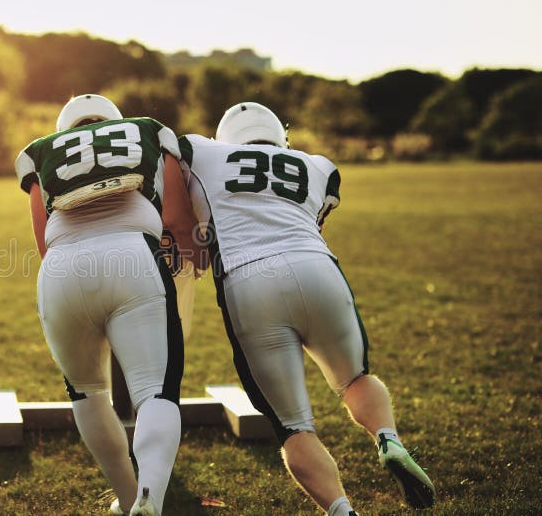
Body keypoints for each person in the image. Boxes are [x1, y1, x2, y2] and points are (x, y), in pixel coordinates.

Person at [177, 102, 436, 515]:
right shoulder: (318, 166)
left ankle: (342, 510)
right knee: (355, 378)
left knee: (294, 426)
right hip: (317, 269)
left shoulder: (199, 151)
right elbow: (312, 221)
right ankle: (389, 440)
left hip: (248, 280)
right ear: (281, 136)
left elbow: (159, 156)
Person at [14, 94, 200, 516]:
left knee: (88, 394)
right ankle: (151, 494)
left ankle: (127, 496)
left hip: (60, 269)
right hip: (134, 255)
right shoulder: (149, 130)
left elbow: (43, 239)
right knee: (156, 391)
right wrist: (191, 259)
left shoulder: (41, 151)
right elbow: (176, 217)